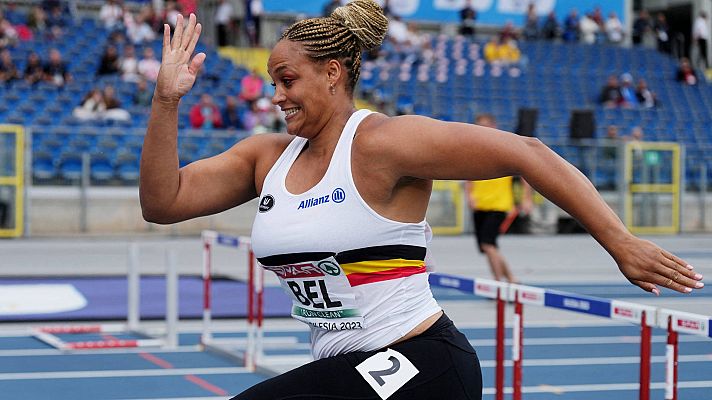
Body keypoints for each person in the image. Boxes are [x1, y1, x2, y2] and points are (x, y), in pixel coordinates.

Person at [140, 5, 704, 399]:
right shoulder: (266, 158)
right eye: (272, 82)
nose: (277, 95)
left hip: (423, 365)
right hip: (348, 369)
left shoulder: (384, 143)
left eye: (288, 80)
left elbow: (528, 152)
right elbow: (163, 202)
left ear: (333, 74)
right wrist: (166, 100)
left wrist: (620, 242)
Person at [465, 114, 532, 283]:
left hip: (499, 205)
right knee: (488, 247)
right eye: (479, 126)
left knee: (488, 245)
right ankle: (510, 279)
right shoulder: (473, 150)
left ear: (494, 126)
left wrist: (526, 198)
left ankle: (498, 283)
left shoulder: (504, 147)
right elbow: (468, 176)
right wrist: (470, 196)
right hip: (480, 204)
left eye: (486, 125)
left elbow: (524, 174)